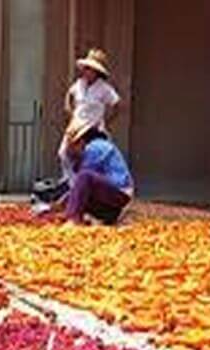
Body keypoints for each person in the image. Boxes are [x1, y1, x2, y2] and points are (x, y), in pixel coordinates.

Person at [59, 48, 121, 185]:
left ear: (96, 72)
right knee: (64, 153)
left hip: (93, 128)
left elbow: (117, 104)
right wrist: (69, 111)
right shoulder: (79, 84)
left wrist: (107, 121)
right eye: (86, 68)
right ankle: (70, 184)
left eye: (89, 69)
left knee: (91, 158)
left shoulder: (104, 88)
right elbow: (69, 94)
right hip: (76, 125)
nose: (86, 71)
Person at [63, 114, 134, 225]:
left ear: (80, 141)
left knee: (84, 177)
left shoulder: (95, 147)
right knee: (72, 197)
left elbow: (82, 181)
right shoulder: (92, 149)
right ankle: (108, 216)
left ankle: (73, 220)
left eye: (72, 146)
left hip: (119, 193)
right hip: (110, 200)